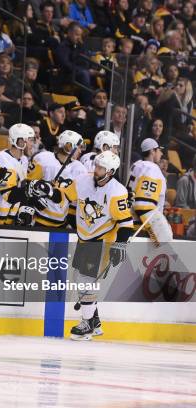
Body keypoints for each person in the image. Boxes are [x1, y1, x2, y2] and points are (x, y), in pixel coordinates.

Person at [29, 151, 133, 340]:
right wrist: (49, 190)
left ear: (110, 172)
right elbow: (64, 197)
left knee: (86, 279)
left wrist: (121, 244)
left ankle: (86, 325)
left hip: (102, 240)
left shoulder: (117, 191)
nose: (96, 170)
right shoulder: (83, 180)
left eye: (101, 168)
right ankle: (95, 321)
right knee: (80, 277)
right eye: (97, 166)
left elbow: (125, 223)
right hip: (84, 237)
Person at [27, 130, 87, 228]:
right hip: (38, 220)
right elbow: (29, 185)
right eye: (78, 147)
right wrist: (33, 199)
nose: (80, 151)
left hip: (61, 223)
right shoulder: (43, 159)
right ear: (68, 147)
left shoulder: (80, 169)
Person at [127, 138, 167, 236]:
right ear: (152, 151)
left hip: (129, 224)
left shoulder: (137, 165)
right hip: (141, 230)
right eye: (159, 150)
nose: (161, 154)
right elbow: (143, 207)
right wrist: (154, 234)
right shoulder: (151, 168)